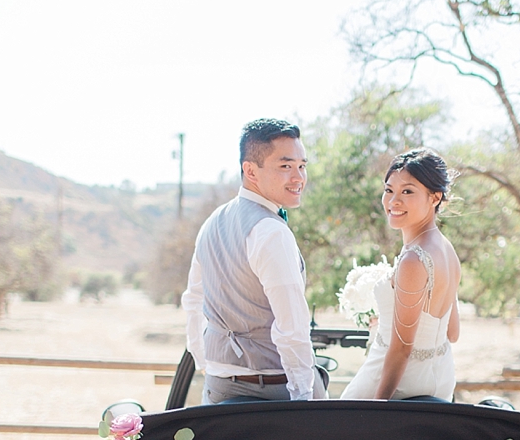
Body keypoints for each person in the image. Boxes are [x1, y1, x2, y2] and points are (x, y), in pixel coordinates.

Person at [182, 118, 326, 403]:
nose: (298, 177)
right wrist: (303, 397)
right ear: (250, 171)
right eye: (285, 166)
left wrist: (205, 362)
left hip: (218, 388)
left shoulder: (212, 221)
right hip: (272, 389)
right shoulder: (271, 232)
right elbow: (292, 328)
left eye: (302, 165)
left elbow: (192, 300)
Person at [340, 148, 460, 401]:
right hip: (441, 379)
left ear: (435, 197)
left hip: (399, 382)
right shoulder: (447, 250)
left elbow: (403, 348)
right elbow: (452, 333)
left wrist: (378, 408)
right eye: (389, 190)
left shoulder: (414, 260)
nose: (394, 201)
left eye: (407, 191)